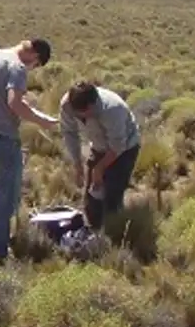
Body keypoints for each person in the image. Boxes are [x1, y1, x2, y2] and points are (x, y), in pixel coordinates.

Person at [0, 37, 56, 264]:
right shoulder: (17, 66)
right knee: (6, 196)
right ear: (35, 55)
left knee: (8, 191)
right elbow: (15, 104)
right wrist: (42, 121)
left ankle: (4, 240)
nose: (33, 69)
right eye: (36, 65)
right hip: (2, 135)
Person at [58, 80, 143, 233]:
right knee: (92, 194)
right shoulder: (67, 105)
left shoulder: (112, 109)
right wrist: (77, 164)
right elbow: (69, 133)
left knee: (112, 194)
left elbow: (117, 145)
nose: (89, 114)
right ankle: (92, 232)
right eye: (84, 113)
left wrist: (100, 169)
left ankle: (113, 235)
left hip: (124, 150)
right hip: (98, 146)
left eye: (91, 109)